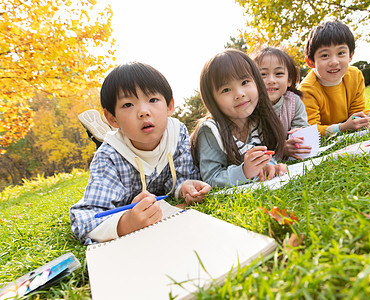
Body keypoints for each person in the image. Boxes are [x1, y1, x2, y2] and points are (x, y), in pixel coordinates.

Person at [70, 62, 211, 245]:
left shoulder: (178, 133)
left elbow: (182, 177)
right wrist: (125, 225)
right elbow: (84, 218)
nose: (143, 112)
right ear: (112, 118)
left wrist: (185, 187)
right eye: (128, 104)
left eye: (152, 100)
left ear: (169, 106)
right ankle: (99, 135)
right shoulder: (109, 157)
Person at [300, 18, 370, 136]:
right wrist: (342, 128)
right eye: (325, 55)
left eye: (341, 53)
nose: (334, 62)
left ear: (351, 55)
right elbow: (311, 131)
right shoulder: (306, 90)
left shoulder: (355, 76)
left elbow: (357, 114)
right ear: (310, 62)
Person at [190, 49, 287, 188]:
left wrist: (268, 166)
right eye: (226, 90)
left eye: (245, 82)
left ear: (257, 82)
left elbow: (262, 155)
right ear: (212, 100)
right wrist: (244, 172)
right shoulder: (210, 131)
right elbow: (211, 178)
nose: (239, 94)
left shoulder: (256, 120)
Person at [252, 47, 312, 159]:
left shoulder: (294, 102)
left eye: (279, 73)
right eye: (263, 74)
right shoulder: (250, 108)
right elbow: (252, 145)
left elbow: (301, 126)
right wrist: (280, 149)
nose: (271, 80)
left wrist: (300, 134)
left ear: (289, 80)